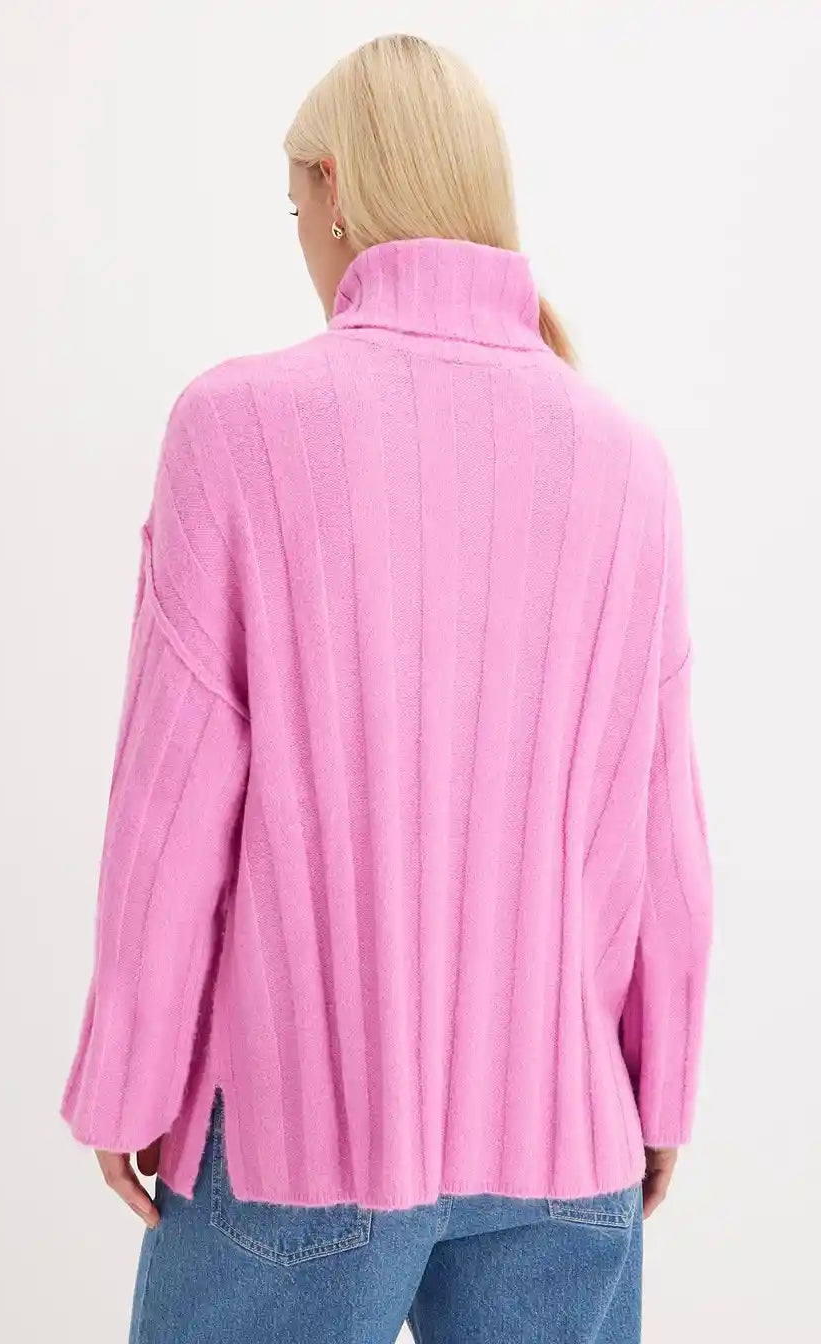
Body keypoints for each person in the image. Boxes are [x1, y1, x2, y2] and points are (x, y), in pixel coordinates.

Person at [59, 33, 714, 1344]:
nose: (300, 238)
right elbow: (662, 835)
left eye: (292, 204)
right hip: (568, 1142)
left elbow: (172, 809)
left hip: (297, 1135)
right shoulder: (626, 465)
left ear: (335, 187)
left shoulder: (237, 428)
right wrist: (660, 1093)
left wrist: (129, 1080)